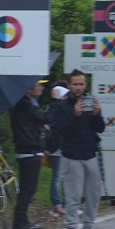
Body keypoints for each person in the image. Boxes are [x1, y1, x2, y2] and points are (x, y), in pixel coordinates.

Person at [50, 70, 106, 229]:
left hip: (90, 152)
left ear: (85, 85)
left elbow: (100, 128)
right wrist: (74, 115)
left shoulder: (89, 102)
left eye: (81, 84)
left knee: (94, 192)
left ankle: (88, 228)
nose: (78, 87)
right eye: (75, 84)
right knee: (73, 195)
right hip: (71, 154)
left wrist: (97, 114)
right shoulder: (61, 106)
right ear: (69, 85)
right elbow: (59, 129)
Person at [8, 79, 50, 229]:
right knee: (28, 188)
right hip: (30, 149)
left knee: (27, 188)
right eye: (38, 85)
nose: (41, 87)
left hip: (26, 149)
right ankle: (19, 222)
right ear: (28, 88)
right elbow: (44, 118)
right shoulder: (26, 105)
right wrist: (57, 101)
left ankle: (22, 220)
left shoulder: (21, 105)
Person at [45, 82, 69, 215]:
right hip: (56, 148)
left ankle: (65, 203)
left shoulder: (62, 108)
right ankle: (57, 203)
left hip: (63, 147)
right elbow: (52, 122)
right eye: (64, 96)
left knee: (65, 176)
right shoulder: (55, 108)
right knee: (58, 177)